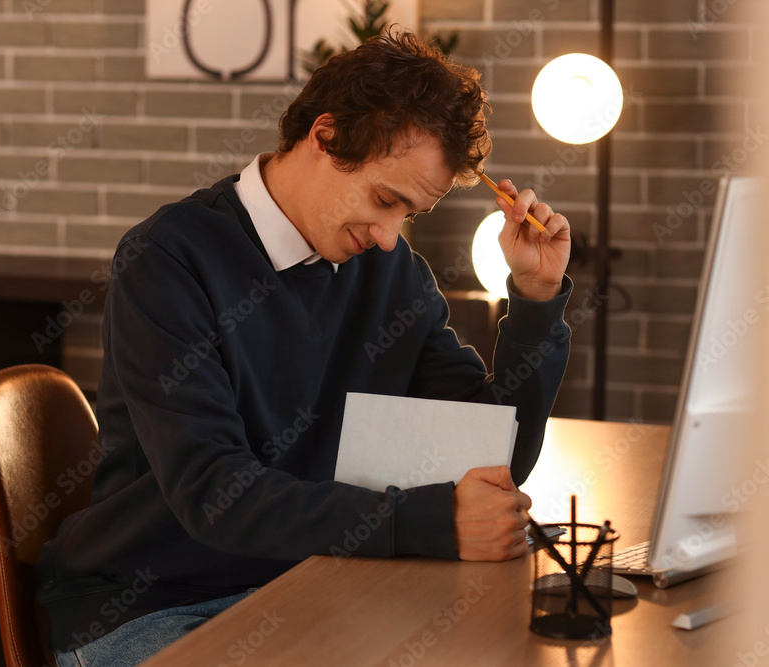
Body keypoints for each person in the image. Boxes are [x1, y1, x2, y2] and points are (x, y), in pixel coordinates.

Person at [37, 29, 572, 667]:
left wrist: (536, 302)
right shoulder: (168, 261)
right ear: (325, 136)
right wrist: (422, 521)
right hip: (151, 606)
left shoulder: (390, 271)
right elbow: (217, 495)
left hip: (317, 581)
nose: (386, 236)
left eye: (409, 214)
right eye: (384, 199)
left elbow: (492, 453)